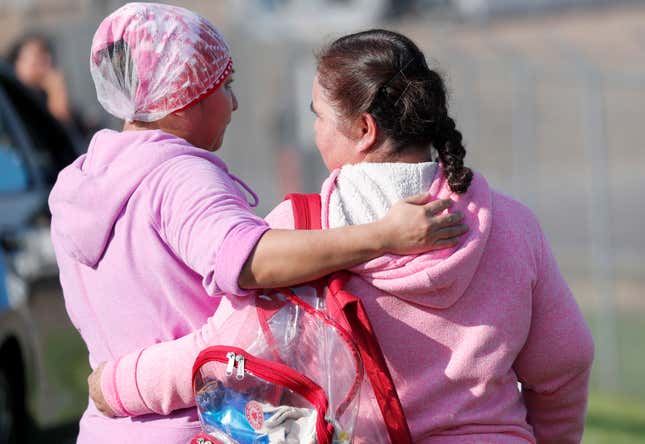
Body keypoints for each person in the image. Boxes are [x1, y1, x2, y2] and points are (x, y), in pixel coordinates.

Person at [88, 29, 595, 443]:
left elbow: (222, 350)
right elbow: (566, 359)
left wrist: (118, 385)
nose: (314, 131)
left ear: (365, 130)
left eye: (318, 115)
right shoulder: (512, 224)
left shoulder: (304, 230)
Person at [48, 5, 466, 444]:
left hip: (106, 429)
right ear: (183, 97)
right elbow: (249, 261)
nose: (234, 103)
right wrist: (382, 235)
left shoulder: (80, 184)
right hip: (203, 428)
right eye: (224, 86)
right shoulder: (176, 176)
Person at [7, 33, 94, 141]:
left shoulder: (43, 94)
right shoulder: (11, 101)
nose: (47, 60)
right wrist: (57, 93)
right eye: (38, 55)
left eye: (47, 54)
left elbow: (74, 135)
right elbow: (56, 133)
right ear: (18, 63)